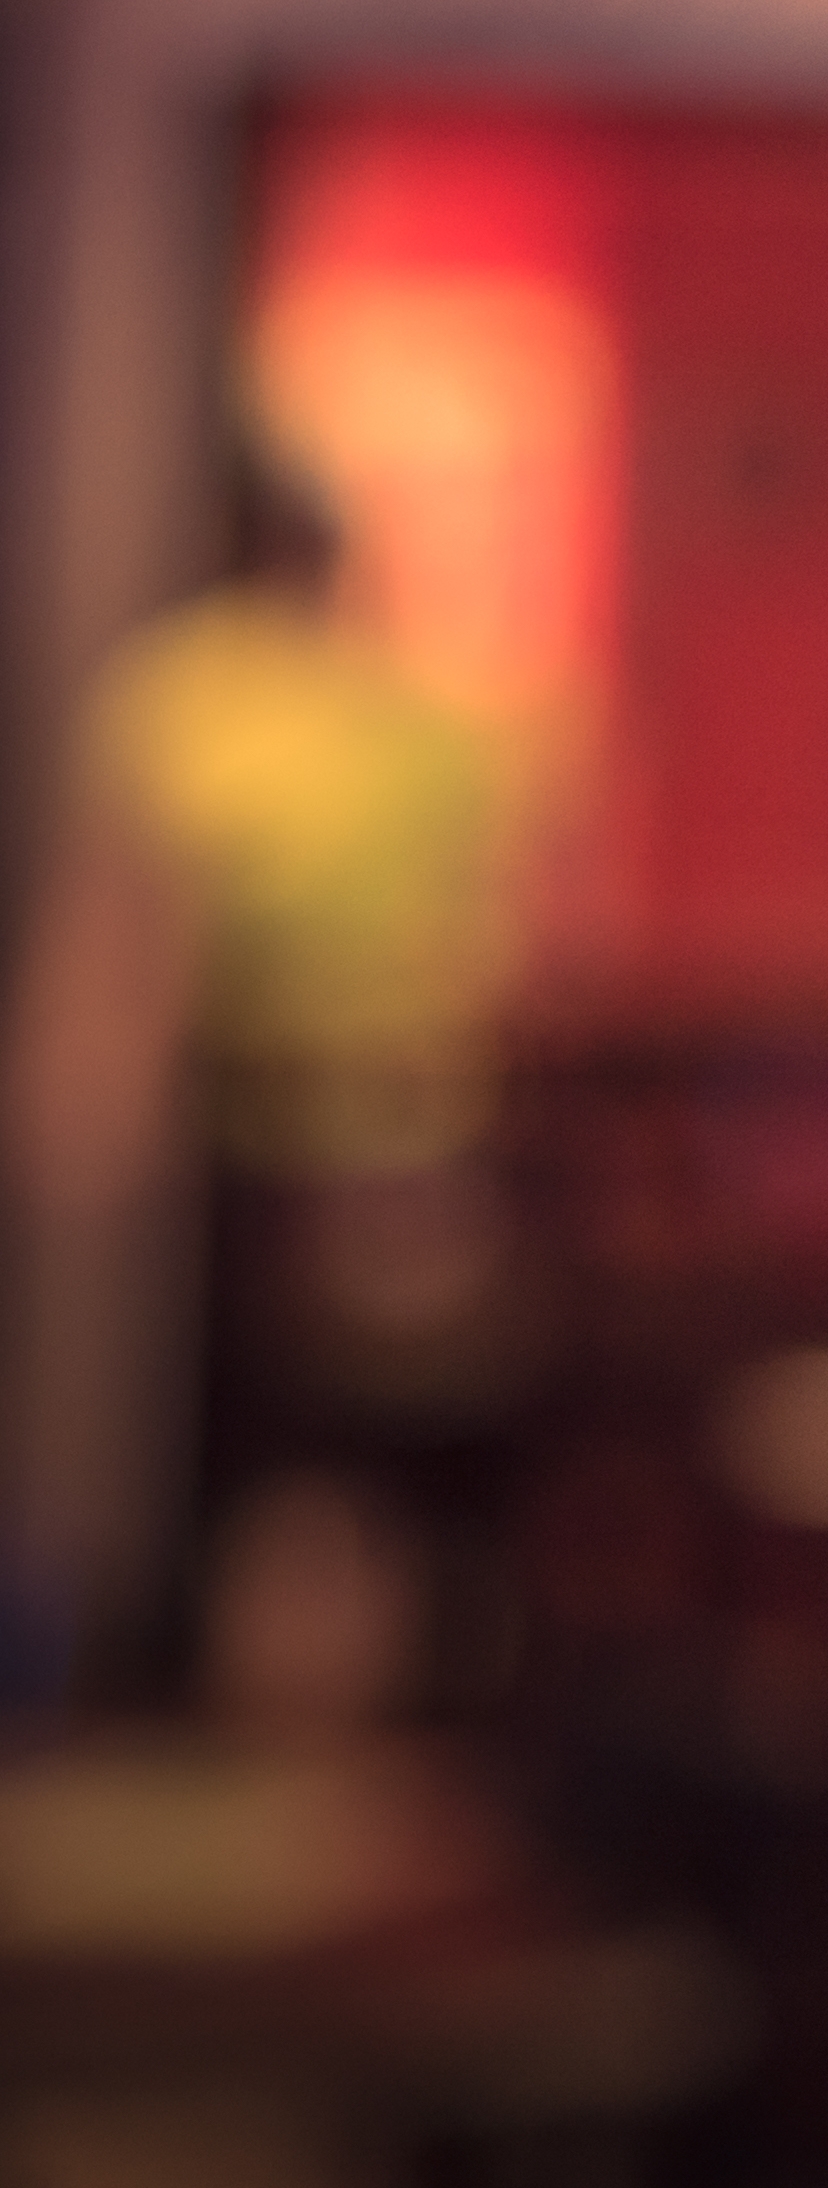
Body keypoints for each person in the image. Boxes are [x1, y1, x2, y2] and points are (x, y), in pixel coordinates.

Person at [5, 461, 522, 1702]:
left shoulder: (185, 690)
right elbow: (496, 939)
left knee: (232, 1453)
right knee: (370, 1457)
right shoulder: (430, 713)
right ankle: (375, 1714)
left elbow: (124, 938)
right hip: (425, 1145)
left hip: (244, 1143)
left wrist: (66, 1124)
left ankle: (244, 1706)